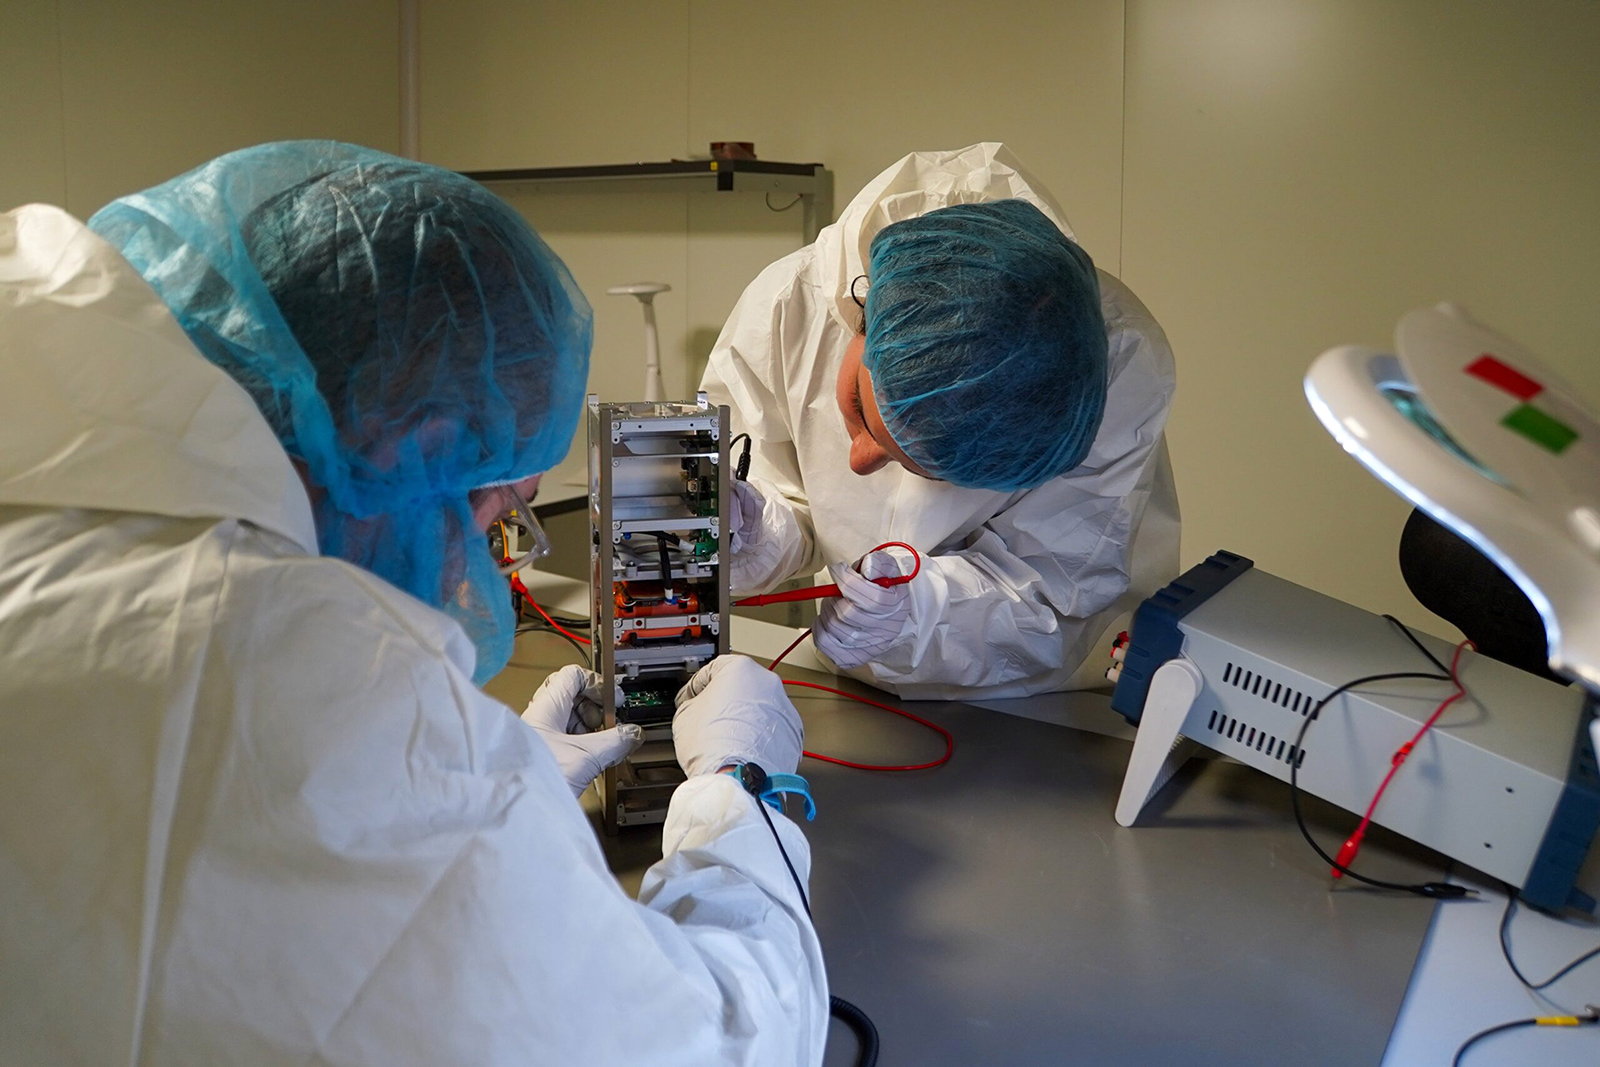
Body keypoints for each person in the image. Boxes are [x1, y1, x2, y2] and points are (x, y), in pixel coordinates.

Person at [0, 142, 826, 1065]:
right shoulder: (300, 685)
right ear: (410, 447)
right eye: (494, 511)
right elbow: (711, 1041)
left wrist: (476, 779)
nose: (475, 559)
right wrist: (740, 794)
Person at [705, 143, 1180, 700]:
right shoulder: (790, 307)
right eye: (859, 412)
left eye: (931, 472)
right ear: (862, 309)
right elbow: (791, 499)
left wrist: (917, 613)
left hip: (1031, 707)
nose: (855, 463)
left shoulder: (1118, 365)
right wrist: (756, 529)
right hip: (848, 690)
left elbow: (1056, 594)